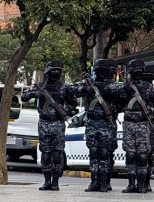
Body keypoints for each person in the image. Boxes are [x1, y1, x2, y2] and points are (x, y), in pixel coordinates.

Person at [20, 60, 76, 191]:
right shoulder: (40, 86)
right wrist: (34, 93)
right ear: (48, 71)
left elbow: (73, 104)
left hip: (58, 123)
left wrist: (64, 111)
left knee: (57, 154)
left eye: (58, 70)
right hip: (44, 123)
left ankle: (55, 182)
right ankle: (47, 181)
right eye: (53, 70)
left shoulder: (64, 88)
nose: (56, 72)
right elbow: (24, 97)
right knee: (45, 153)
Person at [75, 59, 123, 192]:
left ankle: (104, 183)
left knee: (105, 153)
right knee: (94, 153)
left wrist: (109, 94)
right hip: (92, 124)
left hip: (107, 123)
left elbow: (123, 97)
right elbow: (74, 90)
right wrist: (86, 88)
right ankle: (94, 182)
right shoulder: (89, 84)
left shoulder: (113, 86)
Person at [119, 59, 154, 193]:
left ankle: (141, 185)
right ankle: (131, 184)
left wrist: (149, 110)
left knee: (142, 155)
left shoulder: (148, 86)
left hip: (143, 123)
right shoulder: (125, 87)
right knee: (130, 154)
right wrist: (125, 90)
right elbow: (119, 101)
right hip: (129, 123)